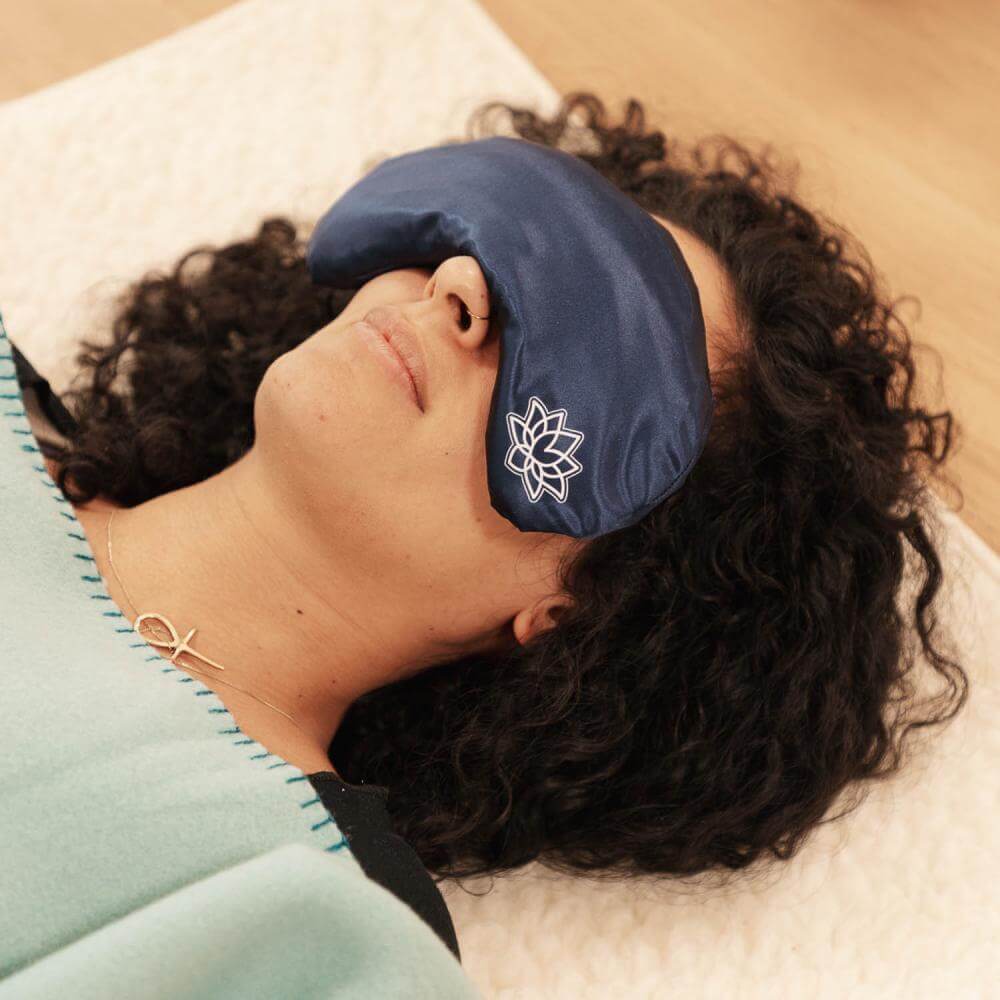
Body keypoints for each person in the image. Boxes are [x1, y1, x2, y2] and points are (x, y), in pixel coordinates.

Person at [8, 91, 969, 908]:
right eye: (492, 238)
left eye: (590, 361)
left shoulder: (303, 905)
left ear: (578, 608)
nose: (460, 284)